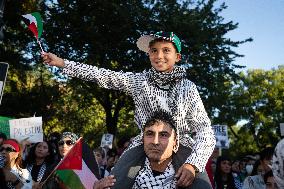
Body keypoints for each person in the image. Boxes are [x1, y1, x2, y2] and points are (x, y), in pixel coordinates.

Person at [42, 31, 216, 188]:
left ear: (177, 57)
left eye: (166, 50)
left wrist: (192, 164)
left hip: (182, 146)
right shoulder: (140, 81)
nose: (159, 55)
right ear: (148, 54)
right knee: (113, 183)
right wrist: (63, 63)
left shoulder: (188, 88)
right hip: (143, 144)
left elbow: (205, 131)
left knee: (202, 186)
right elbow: (103, 75)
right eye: (154, 50)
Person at [132, 110, 212, 188]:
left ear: (175, 143)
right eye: (150, 134)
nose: (155, 142)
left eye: (163, 135)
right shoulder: (129, 173)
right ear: (143, 140)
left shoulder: (192, 176)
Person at [42, 132, 116, 189]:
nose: (64, 146)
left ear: (76, 146)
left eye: (69, 143)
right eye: (61, 143)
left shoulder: (86, 166)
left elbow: (92, 184)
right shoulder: (52, 168)